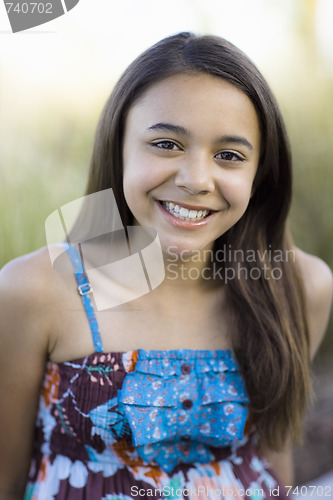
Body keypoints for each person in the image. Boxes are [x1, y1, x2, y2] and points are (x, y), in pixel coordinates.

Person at [0, 32, 332, 500]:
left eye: (229, 156)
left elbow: (273, 467)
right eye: (166, 144)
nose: (196, 180)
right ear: (120, 148)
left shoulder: (298, 287)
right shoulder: (35, 290)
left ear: (260, 176)